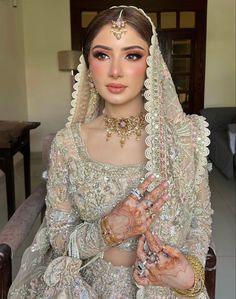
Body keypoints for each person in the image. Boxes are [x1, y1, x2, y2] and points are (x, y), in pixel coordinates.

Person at [8, 5, 213, 299]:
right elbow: (58, 235)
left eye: (132, 55)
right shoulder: (68, 144)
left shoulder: (185, 138)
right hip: (88, 288)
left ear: (152, 63)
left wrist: (187, 277)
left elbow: (199, 222)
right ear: (88, 64)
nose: (116, 70)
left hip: (165, 290)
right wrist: (108, 230)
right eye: (102, 54)